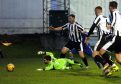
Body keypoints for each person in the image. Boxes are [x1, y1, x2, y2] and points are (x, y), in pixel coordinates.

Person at [85, 6, 118, 76]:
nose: (95, 13)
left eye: (95, 11)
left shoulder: (99, 17)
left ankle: (110, 64)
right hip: (109, 37)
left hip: (102, 37)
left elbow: (92, 27)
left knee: (94, 54)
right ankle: (108, 71)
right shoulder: (107, 18)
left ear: (97, 11)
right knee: (101, 53)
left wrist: (87, 36)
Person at [98, 1, 121, 76]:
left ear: (111, 7)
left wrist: (110, 26)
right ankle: (111, 65)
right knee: (118, 58)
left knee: (101, 51)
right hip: (119, 37)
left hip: (116, 37)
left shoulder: (114, 13)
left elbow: (114, 22)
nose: (109, 8)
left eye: (109, 6)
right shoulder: (119, 13)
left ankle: (113, 65)